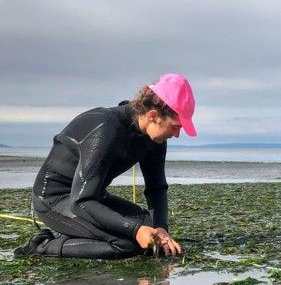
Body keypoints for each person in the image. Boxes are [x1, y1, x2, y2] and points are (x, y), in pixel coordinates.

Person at [14, 73, 197, 259]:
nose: (177, 134)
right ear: (153, 116)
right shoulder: (106, 129)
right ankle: (41, 245)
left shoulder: (154, 139)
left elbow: (156, 188)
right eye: (176, 126)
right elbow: (81, 201)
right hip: (56, 200)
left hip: (92, 197)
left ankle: (76, 232)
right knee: (128, 243)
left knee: (149, 228)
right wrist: (135, 231)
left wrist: (161, 228)